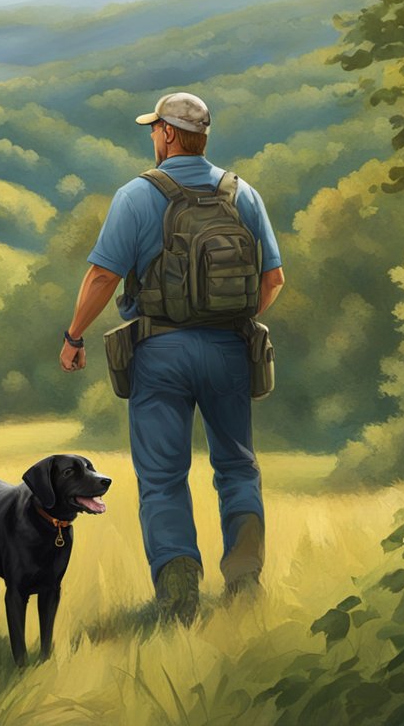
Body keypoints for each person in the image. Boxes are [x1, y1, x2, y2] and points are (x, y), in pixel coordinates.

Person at [57, 93, 285, 623]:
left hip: (160, 351)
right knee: (237, 467)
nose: (153, 136)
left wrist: (74, 337)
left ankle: (179, 594)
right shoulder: (241, 193)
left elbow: (102, 276)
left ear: (168, 135)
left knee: (162, 476)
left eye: (154, 128)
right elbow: (273, 279)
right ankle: (245, 582)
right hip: (230, 347)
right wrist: (236, 319)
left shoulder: (137, 195)